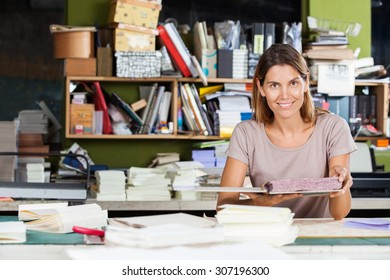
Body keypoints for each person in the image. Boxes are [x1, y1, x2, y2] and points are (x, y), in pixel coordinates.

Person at [217, 44, 357, 220]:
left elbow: (339, 213)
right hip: (267, 236)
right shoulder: (246, 133)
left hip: (317, 236)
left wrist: (341, 186)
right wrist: (259, 203)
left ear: (305, 83)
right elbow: (223, 208)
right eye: (274, 85)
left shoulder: (333, 128)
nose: (284, 95)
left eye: (293, 83)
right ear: (261, 88)